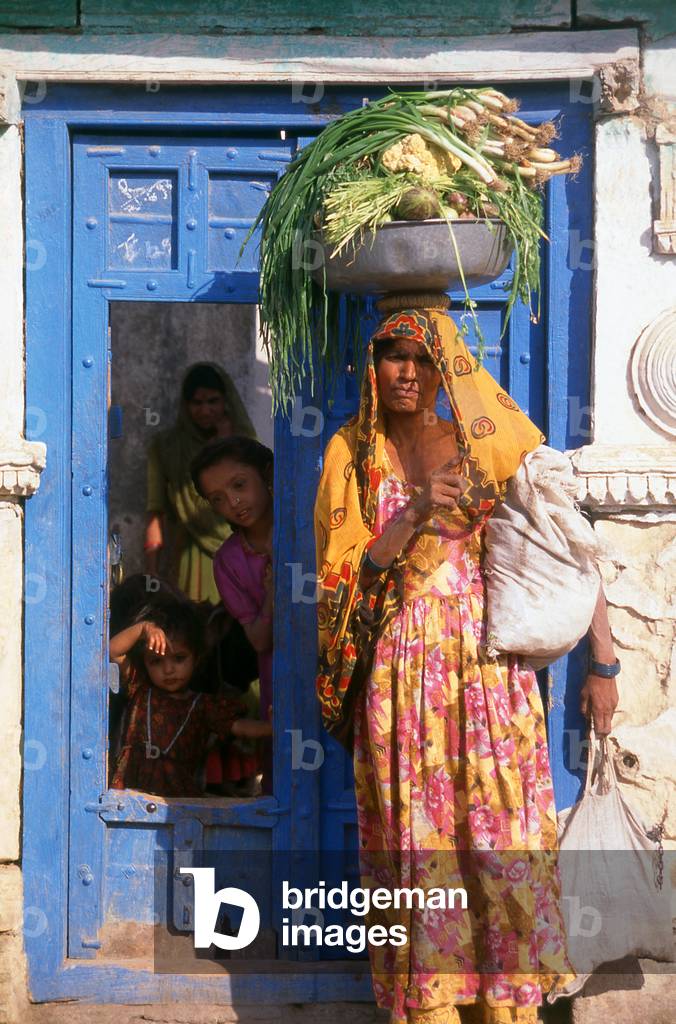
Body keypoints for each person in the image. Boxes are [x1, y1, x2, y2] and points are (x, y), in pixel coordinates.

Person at [313, 295, 619, 1024]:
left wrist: (602, 664)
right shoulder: (350, 456)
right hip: (400, 680)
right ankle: (434, 1010)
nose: (409, 373)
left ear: (448, 365)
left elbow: (562, 550)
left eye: (424, 357)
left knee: (498, 840)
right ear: (373, 364)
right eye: (395, 355)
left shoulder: (482, 446)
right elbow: (342, 577)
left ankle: (504, 1011)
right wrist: (414, 510)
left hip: (487, 678)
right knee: (420, 849)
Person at [109, 597, 271, 797]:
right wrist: (143, 629)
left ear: (197, 658)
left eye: (179, 658)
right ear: (145, 662)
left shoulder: (202, 706)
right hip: (129, 798)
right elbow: (112, 652)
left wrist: (272, 728)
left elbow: (239, 727)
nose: (168, 670)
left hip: (176, 805)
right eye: (156, 661)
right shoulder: (140, 688)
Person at [191, 436, 274, 794]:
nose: (234, 503)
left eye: (239, 485)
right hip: (279, 674)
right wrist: (272, 594)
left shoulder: (311, 529)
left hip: (332, 665)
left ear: (267, 475)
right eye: (218, 499)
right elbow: (258, 639)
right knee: (287, 772)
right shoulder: (228, 561)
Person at [145, 362, 257, 604]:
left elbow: (260, 499)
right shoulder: (167, 447)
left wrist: (227, 443)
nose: (205, 410)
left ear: (225, 403)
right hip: (191, 556)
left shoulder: (244, 445)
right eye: (197, 403)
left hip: (244, 555)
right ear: (186, 406)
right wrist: (151, 575)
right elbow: (156, 512)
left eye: (213, 401)